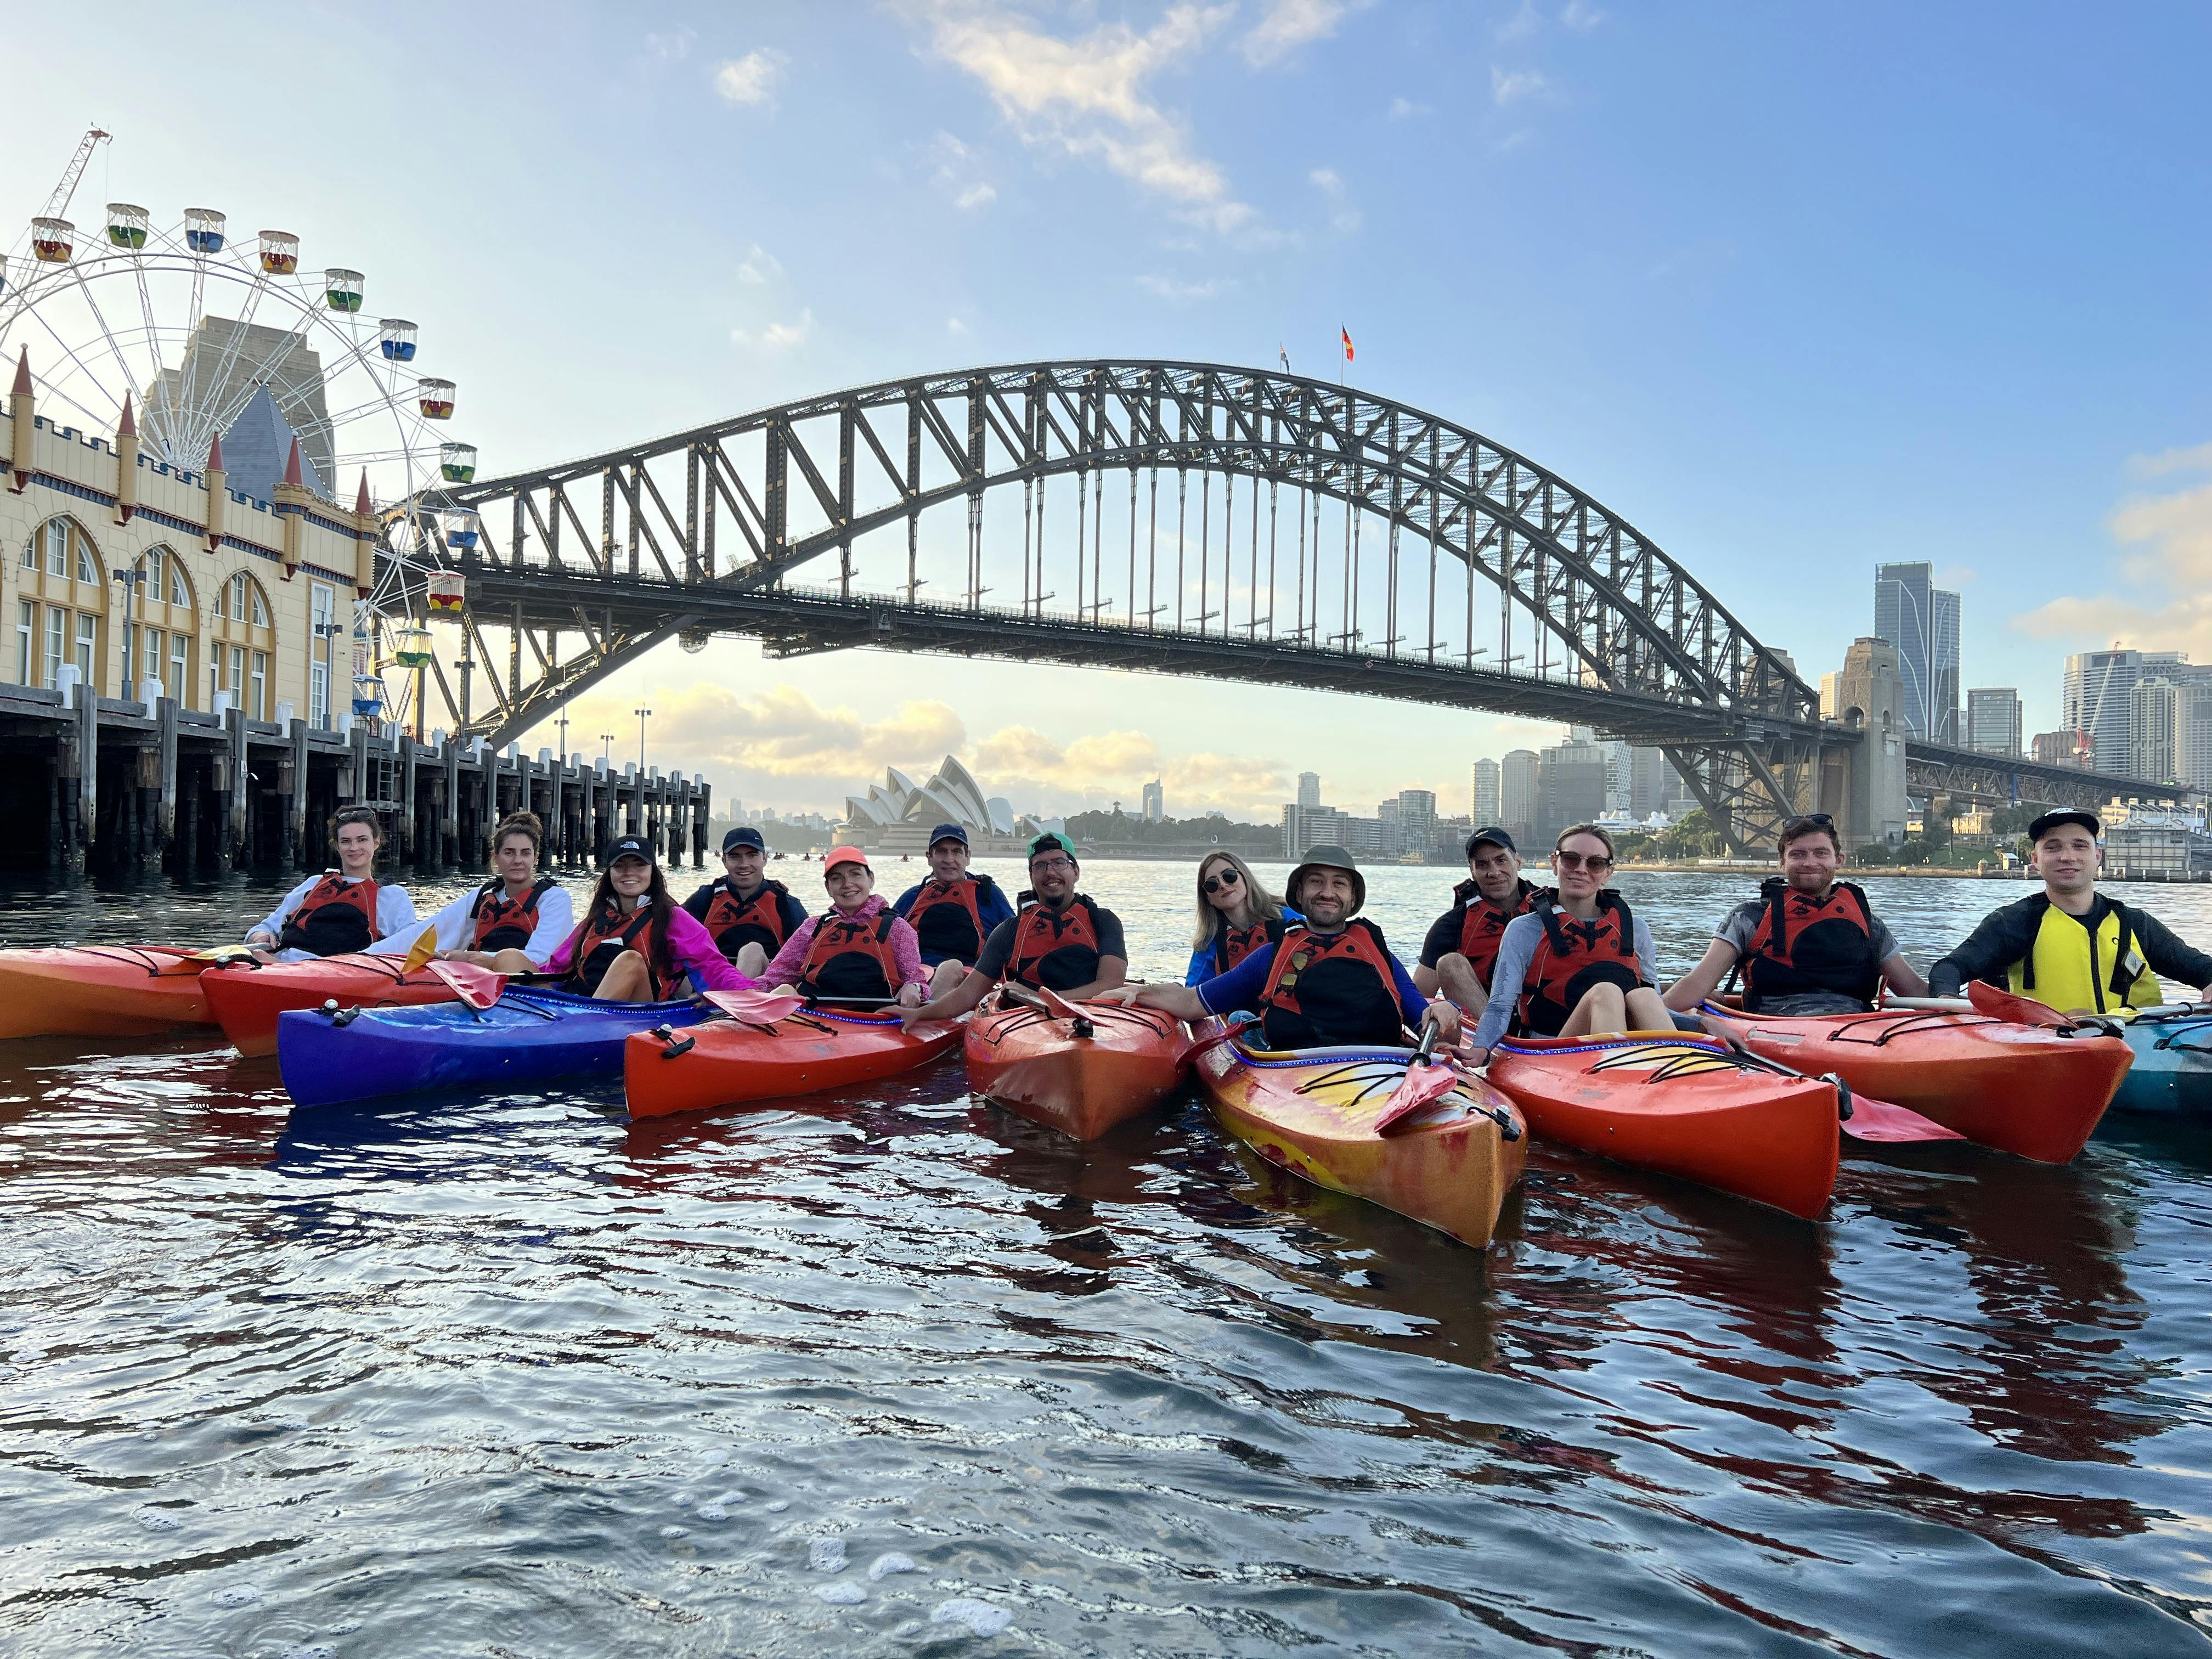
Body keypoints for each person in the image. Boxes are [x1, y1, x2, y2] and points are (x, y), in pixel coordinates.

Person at [1108, 844, 1458, 1049]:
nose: (1327, 892)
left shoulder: (1376, 950)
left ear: (1352, 899)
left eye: (1339, 884)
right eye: (1316, 882)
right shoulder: (1271, 956)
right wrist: (1139, 994)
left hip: (1380, 1068)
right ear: (1301, 895)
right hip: (1297, 1075)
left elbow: (1417, 1011)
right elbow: (1192, 1001)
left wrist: (1439, 1014)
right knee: (1246, 1019)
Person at [1928, 809, 2212, 1014]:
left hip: (2140, 1047)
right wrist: (1948, 1001)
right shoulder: (2013, 923)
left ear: (2097, 857)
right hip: (2050, 1049)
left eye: (2080, 846)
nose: (2067, 856)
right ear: (2036, 860)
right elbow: (1949, 969)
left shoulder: (2134, 924)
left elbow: (2200, 967)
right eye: (2053, 848)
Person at [1663, 812, 1928, 1015]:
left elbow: (1914, 990)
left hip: (1853, 1028)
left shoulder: (1868, 924)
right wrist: (1653, 1014)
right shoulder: (1749, 918)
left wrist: (1960, 1006)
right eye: (1798, 854)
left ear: (1839, 860)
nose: (1809, 862)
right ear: (1783, 861)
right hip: (1770, 1026)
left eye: (1820, 853)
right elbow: (1698, 982)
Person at [1462, 823, 1670, 1067]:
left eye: (1595, 863)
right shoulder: (1523, 930)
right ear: (1555, 863)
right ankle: (1616, 1081)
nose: (1581, 870)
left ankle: (1677, 1082)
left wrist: (1703, 1024)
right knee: (1606, 992)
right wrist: (1480, 1049)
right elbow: (1500, 1006)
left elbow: (1655, 1003)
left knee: (1644, 995)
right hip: (1554, 1054)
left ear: (1608, 873)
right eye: (1571, 859)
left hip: (1626, 1048)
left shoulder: (1636, 929)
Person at [899, 832, 1127, 1025]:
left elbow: (1110, 984)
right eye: (1040, 866)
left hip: (1094, 1015)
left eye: (1060, 863)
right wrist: (918, 1014)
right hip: (1027, 1022)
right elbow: (967, 994)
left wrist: (1042, 997)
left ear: (1075, 872)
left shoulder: (1104, 921)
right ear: (1031, 876)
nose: (1050, 872)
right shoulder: (1009, 931)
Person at [541, 835, 754, 1002]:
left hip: (640, 1009)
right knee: (510, 956)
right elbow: (556, 969)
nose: (629, 873)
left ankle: (578, 1029)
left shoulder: (673, 917)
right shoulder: (596, 918)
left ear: (653, 871)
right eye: (620, 866)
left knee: (630, 961)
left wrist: (752, 994)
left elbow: (712, 966)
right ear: (610, 873)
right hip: (583, 999)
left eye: (639, 865)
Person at [366, 810, 574, 972]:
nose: (518, 860)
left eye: (525, 853)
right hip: (480, 985)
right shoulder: (481, 897)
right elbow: (427, 931)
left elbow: (539, 958)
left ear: (535, 858)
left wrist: (475, 959)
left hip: (530, 989)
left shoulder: (554, 899)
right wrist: (364, 956)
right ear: (496, 857)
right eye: (509, 853)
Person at [760, 846, 932, 1009]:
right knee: (784, 991)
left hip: (876, 1018)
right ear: (828, 888)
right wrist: (741, 988)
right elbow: (774, 978)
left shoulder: (897, 928)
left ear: (871, 879)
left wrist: (914, 988)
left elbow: (915, 980)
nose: (847, 884)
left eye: (855, 874)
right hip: (813, 1017)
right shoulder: (812, 928)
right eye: (836, 878)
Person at [246, 806, 416, 960]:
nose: (354, 848)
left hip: (348, 972)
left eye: (362, 840)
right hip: (287, 966)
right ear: (337, 846)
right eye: (346, 841)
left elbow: (411, 942)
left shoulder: (393, 896)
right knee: (256, 955)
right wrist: (259, 936)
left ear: (376, 842)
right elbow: (266, 928)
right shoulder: (313, 884)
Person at [1415, 827, 1539, 1009]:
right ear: (1472, 872)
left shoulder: (1552, 913)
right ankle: (1493, 1035)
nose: (1494, 872)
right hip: (1482, 1023)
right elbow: (1418, 999)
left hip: (1547, 1027)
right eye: (1482, 864)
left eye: (1501, 860)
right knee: (1451, 964)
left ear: (1518, 862)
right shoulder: (1451, 925)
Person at [890, 823, 1016, 998]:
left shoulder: (989, 895)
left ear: (968, 857)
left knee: (951, 968)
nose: (949, 859)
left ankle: (925, 1014)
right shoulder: (913, 896)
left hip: (970, 976)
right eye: (942, 852)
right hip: (917, 976)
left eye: (956, 851)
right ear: (929, 858)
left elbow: (1016, 941)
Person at [682, 826, 807, 978]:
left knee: (752, 951)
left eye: (752, 855)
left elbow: (806, 959)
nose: (744, 864)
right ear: (724, 861)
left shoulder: (787, 905)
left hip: (764, 988)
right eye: (735, 857)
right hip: (711, 982)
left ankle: (733, 997)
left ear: (765, 858)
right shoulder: (705, 898)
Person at [1183, 850, 1297, 986]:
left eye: (1229, 876)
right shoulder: (1209, 942)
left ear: (1245, 877)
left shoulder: (1287, 919)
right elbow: (1193, 992)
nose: (1223, 885)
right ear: (1208, 898)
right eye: (1212, 884)